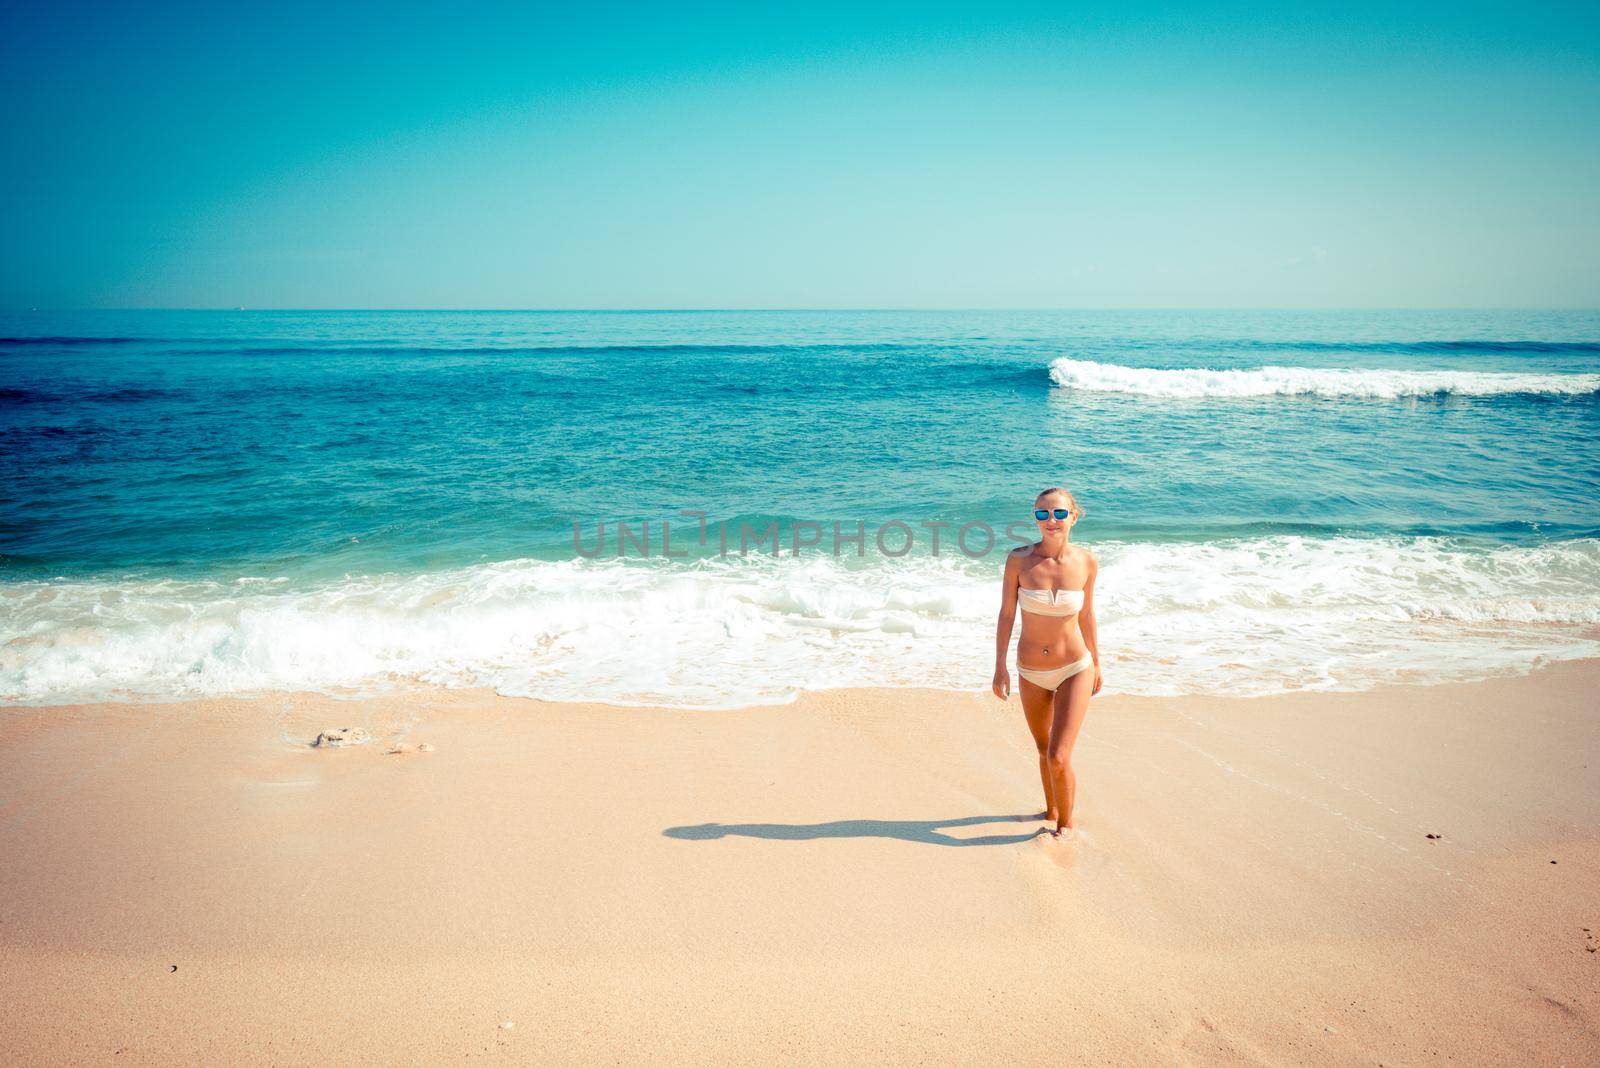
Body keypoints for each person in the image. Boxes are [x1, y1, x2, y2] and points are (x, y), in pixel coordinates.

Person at [991, 486, 1102, 836]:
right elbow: (1007, 614)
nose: (1050, 520)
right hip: (1031, 671)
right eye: (1042, 514)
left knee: (1059, 754)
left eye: (1057, 513)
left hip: (1074, 667)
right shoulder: (1018, 560)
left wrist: (1097, 662)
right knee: (1043, 750)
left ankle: (1065, 828)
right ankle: (1051, 812)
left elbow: (1087, 615)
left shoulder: (1086, 562)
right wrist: (1000, 667)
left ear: (1073, 516)